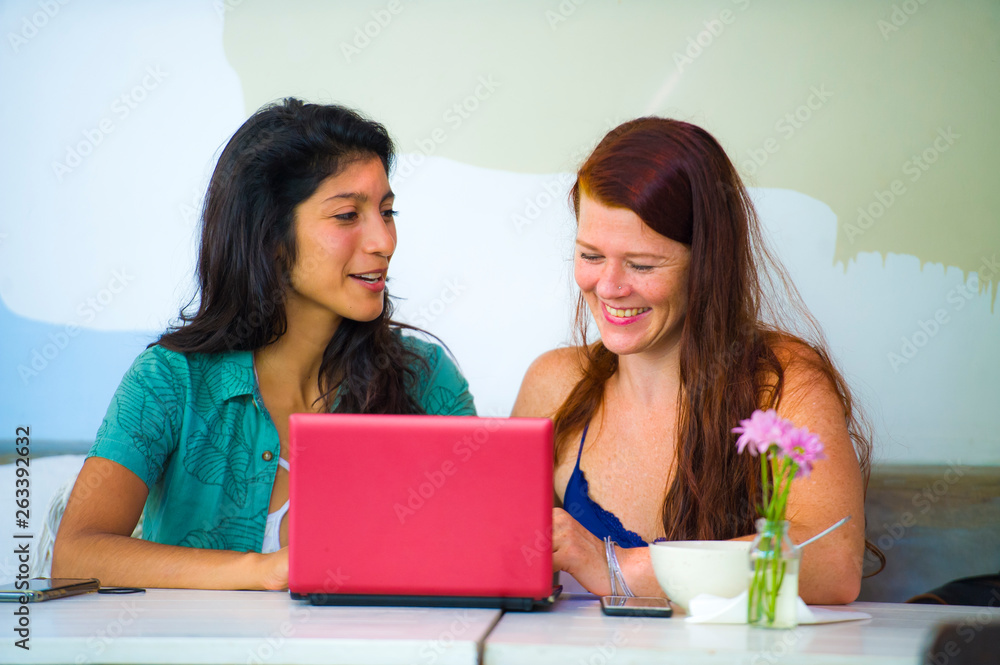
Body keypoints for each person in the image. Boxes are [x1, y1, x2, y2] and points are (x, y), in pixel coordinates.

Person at [53, 99, 476, 590]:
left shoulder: (426, 376)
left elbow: (484, 544)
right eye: (347, 215)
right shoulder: (170, 381)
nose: (384, 240)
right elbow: (76, 554)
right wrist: (266, 571)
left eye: (387, 211)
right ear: (270, 235)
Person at [512, 117, 877, 604]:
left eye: (642, 264)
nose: (610, 287)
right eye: (591, 255)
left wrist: (617, 567)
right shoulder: (553, 384)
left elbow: (833, 562)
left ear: (708, 263)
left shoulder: (785, 383)